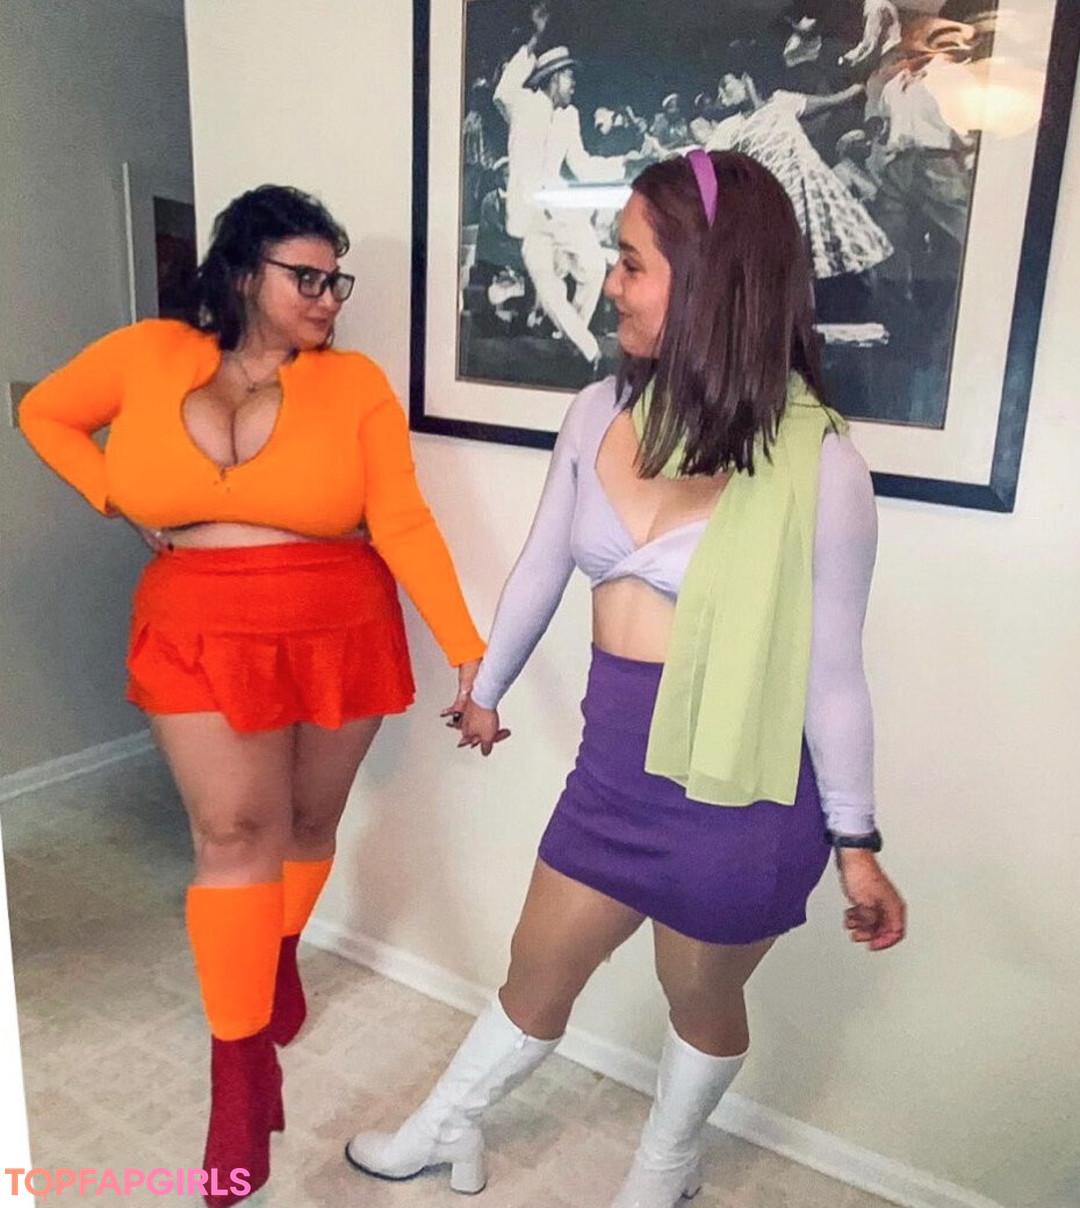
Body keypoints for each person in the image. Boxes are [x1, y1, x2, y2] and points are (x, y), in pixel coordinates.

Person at [343, 151, 906, 1208]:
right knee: (535, 967)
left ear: (711, 283)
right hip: (615, 771)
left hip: (739, 791)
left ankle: (665, 1168)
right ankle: (447, 1128)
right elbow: (542, 564)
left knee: (697, 996)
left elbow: (835, 677)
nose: (609, 283)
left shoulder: (823, 466)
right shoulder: (599, 409)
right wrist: (487, 686)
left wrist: (858, 843)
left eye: (632, 262)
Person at [19, 185, 485, 1207]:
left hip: (338, 619)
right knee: (233, 830)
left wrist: (468, 650)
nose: (327, 296)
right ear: (240, 272)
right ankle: (239, 1084)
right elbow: (42, 411)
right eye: (305, 276)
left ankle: (275, 957)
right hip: (194, 620)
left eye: (335, 280)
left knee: (307, 822)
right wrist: (113, 493)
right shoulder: (146, 353)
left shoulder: (353, 382)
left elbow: (402, 518)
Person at [493, 9, 627, 367]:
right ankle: (589, 351)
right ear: (553, 78)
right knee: (546, 282)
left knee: (594, 267)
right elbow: (501, 92)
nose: (574, 84)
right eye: (569, 76)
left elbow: (581, 165)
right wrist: (535, 39)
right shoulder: (523, 105)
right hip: (530, 214)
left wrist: (623, 165)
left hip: (561, 210)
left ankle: (569, 338)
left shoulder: (570, 116)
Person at [706, 76, 893, 279]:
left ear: (746, 78)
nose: (721, 95)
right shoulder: (729, 128)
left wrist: (856, 89)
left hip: (816, 193)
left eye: (724, 85)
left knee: (850, 260)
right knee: (805, 271)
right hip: (778, 207)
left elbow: (829, 101)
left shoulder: (781, 101)